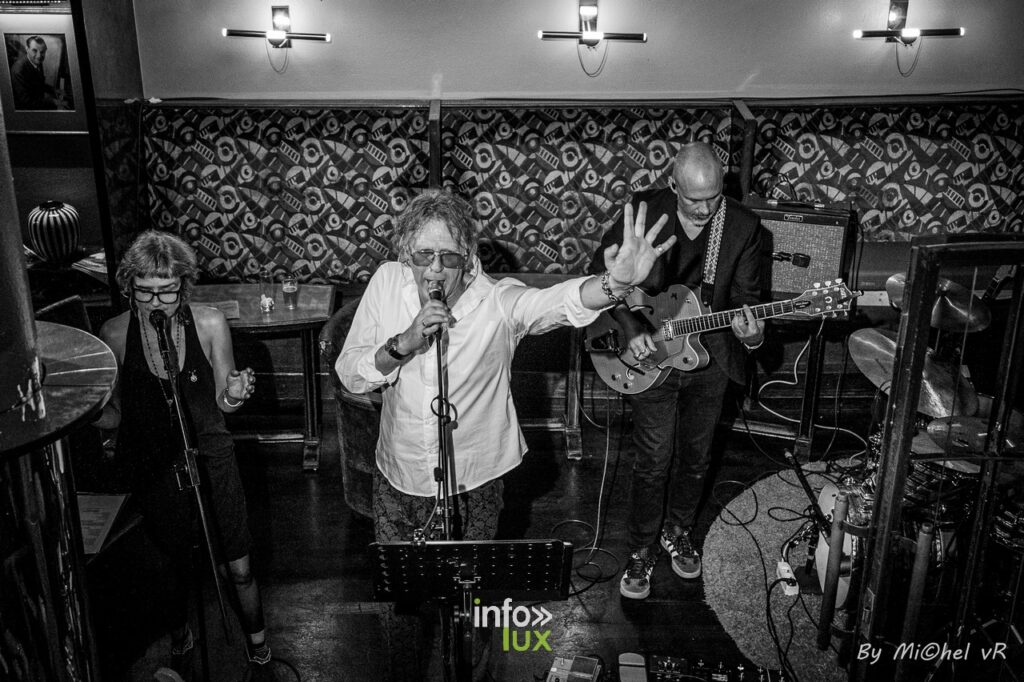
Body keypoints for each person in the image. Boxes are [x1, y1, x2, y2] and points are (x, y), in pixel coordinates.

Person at [337, 188, 674, 541]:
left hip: (474, 479)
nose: (435, 268)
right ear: (407, 255)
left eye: (448, 257)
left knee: (470, 575)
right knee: (401, 574)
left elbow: (558, 302)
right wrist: (402, 344)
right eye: (424, 255)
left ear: (468, 258)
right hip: (400, 473)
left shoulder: (498, 301)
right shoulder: (388, 281)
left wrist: (614, 284)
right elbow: (350, 375)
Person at [588, 141, 768, 600]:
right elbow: (601, 274)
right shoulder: (644, 212)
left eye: (714, 197)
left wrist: (752, 336)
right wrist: (629, 326)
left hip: (710, 359)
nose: (706, 209)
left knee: (696, 457)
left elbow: (747, 302)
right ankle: (641, 548)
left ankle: (678, 531)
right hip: (649, 355)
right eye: (694, 199)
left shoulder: (744, 227)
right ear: (673, 185)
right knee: (652, 460)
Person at [96, 231, 271, 677]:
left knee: (239, 567)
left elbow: (223, 403)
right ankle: (181, 637)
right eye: (145, 291)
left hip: (210, 457)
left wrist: (235, 394)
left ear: (184, 286)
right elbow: (115, 416)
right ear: (129, 286)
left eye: (168, 291)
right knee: (169, 569)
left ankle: (259, 647)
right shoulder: (114, 333)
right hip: (153, 464)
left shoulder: (209, 323)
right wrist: (84, 411)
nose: (156, 302)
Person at [10, 35, 66, 110]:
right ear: (27, 49)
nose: (39, 55)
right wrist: (53, 102)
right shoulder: (18, 70)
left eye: (42, 52)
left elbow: (38, 83)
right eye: (34, 50)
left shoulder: (36, 61)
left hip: (36, 102)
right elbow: (26, 102)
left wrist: (53, 90)